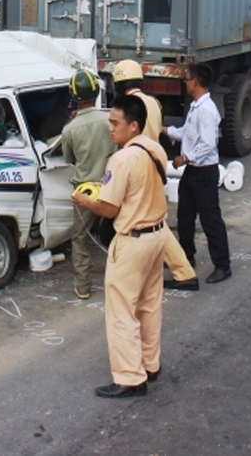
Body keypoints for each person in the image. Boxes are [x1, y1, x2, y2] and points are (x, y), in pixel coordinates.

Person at [71, 94, 168, 398]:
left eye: (115, 123)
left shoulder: (121, 159)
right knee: (150, 305)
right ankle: (150, 364)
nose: (110, 129)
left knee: (122, 311)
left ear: (134, 125)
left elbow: (109, 209)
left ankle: (129, 377)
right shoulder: (154, 149)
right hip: (158, 234)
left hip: (133, 241)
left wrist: (86, 201)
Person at [112, 59, 200, 291]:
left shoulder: (128, 105)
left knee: (141, 223)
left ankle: (180, 272)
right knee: (154, 222)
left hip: (137, 167)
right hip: (154, 163)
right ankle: (181, 271)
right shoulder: (154, 102)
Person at [162, 63, 232, 284]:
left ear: (195, 81)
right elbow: (187, 133)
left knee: (210, 219)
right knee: (185, 217)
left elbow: (208, 144)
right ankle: (185, 257)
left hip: (204, 172)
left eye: (187, 78)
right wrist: (165, 131)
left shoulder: (207, 110)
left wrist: (185, 157)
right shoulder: (195, 107)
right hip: (192, 173)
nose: (185, 82)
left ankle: (223, 265)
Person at [61, 70, 115, 300]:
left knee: (80, 239)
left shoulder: (69, 129)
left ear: (74, 96)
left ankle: (82, 287)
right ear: (96, 91)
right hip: (112, 185)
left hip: (85, 191)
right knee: (119, 235)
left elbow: (69, 159)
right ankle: (122, 282)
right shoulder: (110, 119)